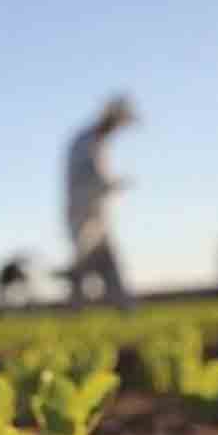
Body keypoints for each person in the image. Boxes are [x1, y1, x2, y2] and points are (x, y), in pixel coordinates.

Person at [60, 96, 137, 311]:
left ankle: (125, 309)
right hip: (82, 215)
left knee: (107, 262)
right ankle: (77, 311)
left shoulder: (98, 142)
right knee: (85, 265)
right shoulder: (84, 142)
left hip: (97, 216)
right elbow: (87, 179)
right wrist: (112, 184)